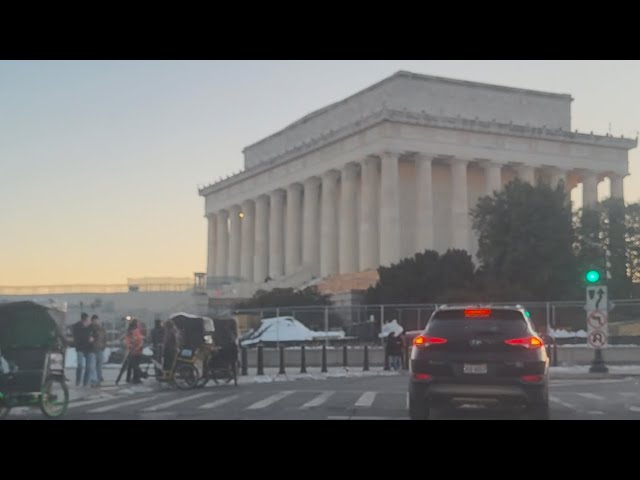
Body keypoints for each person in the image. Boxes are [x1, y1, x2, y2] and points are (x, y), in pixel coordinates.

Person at [72, 313, 95, 387]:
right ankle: (78, 380)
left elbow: (96, 335)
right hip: (80, 348)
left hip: (90, 348)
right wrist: (87, 339)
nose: (87, 320)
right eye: (86, 319)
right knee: (80, 365)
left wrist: (93, 339)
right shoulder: (77, 326)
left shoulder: (91, 327)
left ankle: (85, 382)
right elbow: (77, 337)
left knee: (88, 367)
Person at [123, 319, 145, 384]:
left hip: (133, 349)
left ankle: (129, 378)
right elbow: (138, 339)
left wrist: (129, 345)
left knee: (131, 365)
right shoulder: (136, 331)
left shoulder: (130, 331)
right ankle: (136, 378)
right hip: (136, 350)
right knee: (135, 365)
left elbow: (128, 340)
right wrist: (138, 345)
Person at [91, 315, 107, 386]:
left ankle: (99, 376)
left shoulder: (102, 329)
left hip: (100, 348)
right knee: (94, 364)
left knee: (99, 364)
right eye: (94, 320)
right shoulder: (91, 328)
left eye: (97, 320)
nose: (96, 322)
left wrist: (104, 346)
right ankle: (94, 378)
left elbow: (105, 338)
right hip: (93, 349)